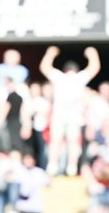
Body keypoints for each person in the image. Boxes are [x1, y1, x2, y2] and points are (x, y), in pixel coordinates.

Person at [40, 44, 101, 177]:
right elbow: (94, 67)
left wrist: (50, 54)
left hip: (61, 115)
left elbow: (45, 67)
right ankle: (71, 167)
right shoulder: (79, 78)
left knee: (56, 140)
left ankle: (53, 165)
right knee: (72, 141)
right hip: (72, 116)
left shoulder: (59, 77)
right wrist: (92, 54)